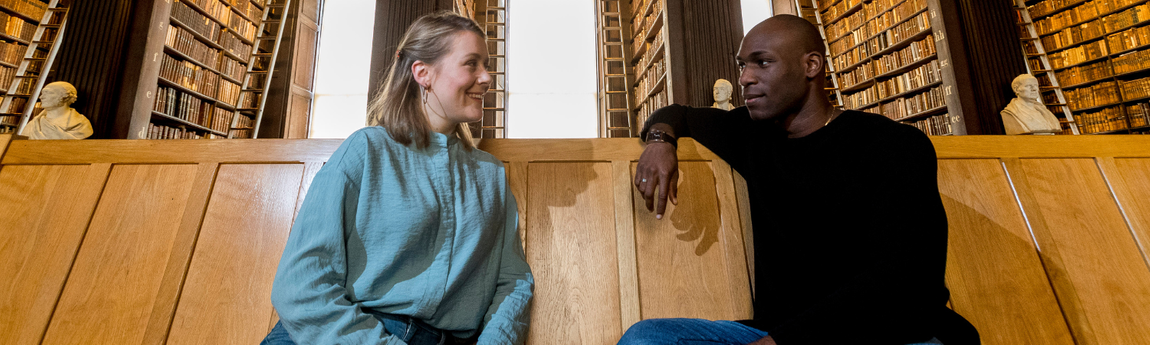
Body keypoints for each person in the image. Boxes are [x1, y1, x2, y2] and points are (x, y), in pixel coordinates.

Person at [618, 15, 979, 345]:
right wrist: (660, 141)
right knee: (645, 338)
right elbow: (676, 113)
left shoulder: (893, 145)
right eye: (743, 65)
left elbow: (904, 278)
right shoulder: (751, 133)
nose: (745, 77)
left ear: (811, 65)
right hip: (774, 331)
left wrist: (783, 342)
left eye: (762, 62)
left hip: (888, 332)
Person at [261, 11, 533, 345]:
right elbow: (301, 285)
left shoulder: (491, 175)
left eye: (486, 64)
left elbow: (513, 280)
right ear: (423, 73)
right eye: (472, 63)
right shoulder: (365, 151)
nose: (487, 77)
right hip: (341, 333)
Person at [24, 81, 93, 140]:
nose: (41, 97)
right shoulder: (34, 124)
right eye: (42, 93)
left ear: (65, 97)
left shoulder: (81, 125)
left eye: (49, 93)